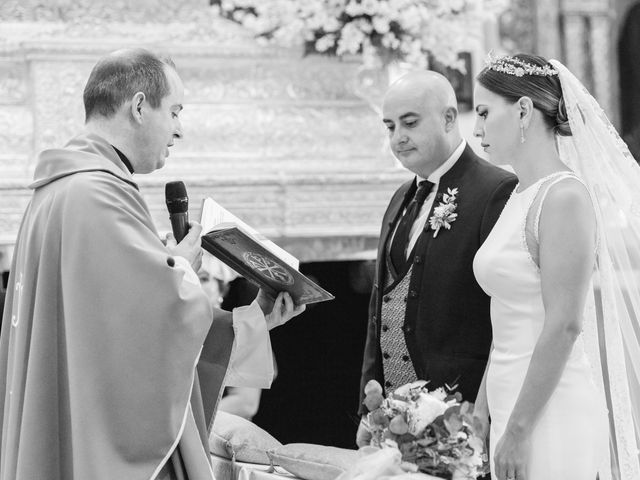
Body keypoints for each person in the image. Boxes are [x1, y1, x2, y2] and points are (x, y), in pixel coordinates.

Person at [0, 48, 304, 480]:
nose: (179, 130)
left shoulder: (60, 189)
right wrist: (180, 268)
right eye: (175, 112)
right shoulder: (97, 193)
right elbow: (150, 327)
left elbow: (109, 333)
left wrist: (253, 321)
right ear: (140, 106)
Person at [472, 53, 640, 480]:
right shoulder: (518, 195)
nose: (477, 130)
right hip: (511, 403)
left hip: (549, 412)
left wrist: (519, 430)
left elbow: (564, 324)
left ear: (524, 110)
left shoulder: (563, 197)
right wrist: (482, 409)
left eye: (485, 113)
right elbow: (508, 317)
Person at [357, 71, 517, 445]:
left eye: (410, 123)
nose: (398, 137)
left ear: (449, 118)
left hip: (461, 418)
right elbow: (379, 310)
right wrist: (369, 409)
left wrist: (487, 411)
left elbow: (507, 314)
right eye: (390, 126)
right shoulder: (400, 197)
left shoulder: (496, 190)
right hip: (394, 422)